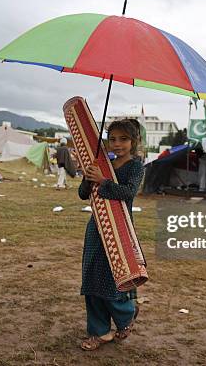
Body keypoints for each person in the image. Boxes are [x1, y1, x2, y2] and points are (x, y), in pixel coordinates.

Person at [78, 119, 145, 351]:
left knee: (114, 278)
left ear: (134, 141)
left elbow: (127, 193)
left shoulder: (136, 167)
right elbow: (82, 194)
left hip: (120, 229)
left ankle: (126, 316)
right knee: (91, 278)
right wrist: (88, 179)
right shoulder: (102, 163)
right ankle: (100, 332)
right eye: (113, 139)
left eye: (123, 139)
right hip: (96, 227)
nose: (117, 144)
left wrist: (103, 181)